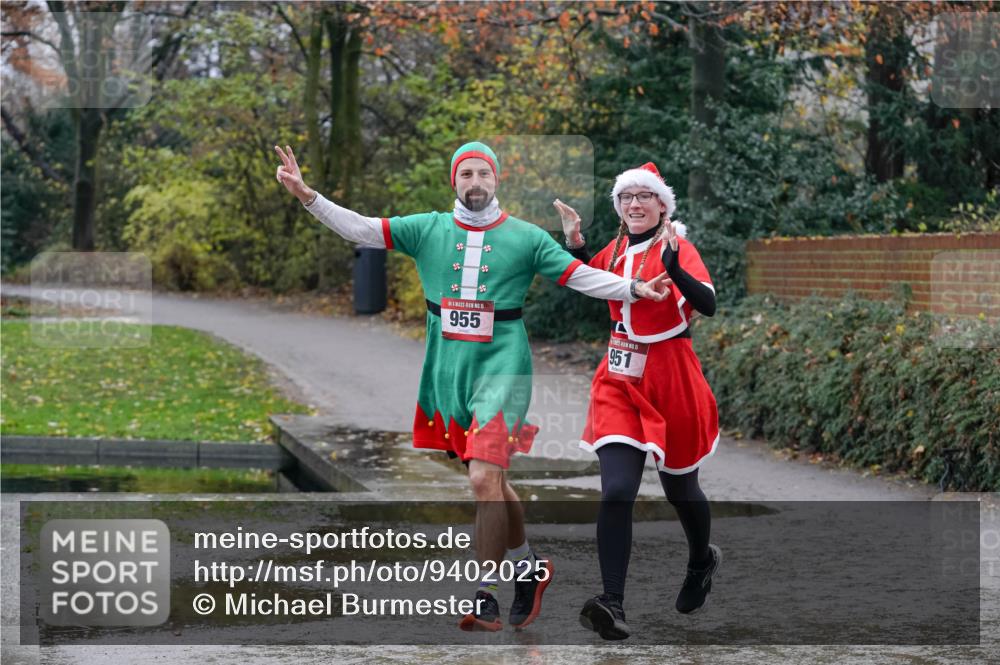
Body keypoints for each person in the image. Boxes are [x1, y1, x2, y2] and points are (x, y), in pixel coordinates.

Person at [275, 141, 671, 632]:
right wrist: (307, 194)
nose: (476, 182)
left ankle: (484, 593)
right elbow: (361, 228)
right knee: (496, 481)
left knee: (484, 479)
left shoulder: (526, 238)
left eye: (484, 173)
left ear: (497, 181)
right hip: (448, 371)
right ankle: (529, 569)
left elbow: (581, 277)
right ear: (455, 182)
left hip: (505, 368)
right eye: (467, 175)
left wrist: (634, 288)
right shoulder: (427, 229)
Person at [553, 162, 721, 640]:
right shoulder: (617, 248)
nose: (634, 204)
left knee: (681, 491)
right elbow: (588, 278)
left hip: (672, 376)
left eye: (645, 196)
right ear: (620, 209)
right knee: (617, 489)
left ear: (662, 206)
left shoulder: (678, 247)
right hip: (619, 378)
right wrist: (576, 243)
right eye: (626, 198)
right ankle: (612, 602)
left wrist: (672, 269)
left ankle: (700, 561)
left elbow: (707, 304)